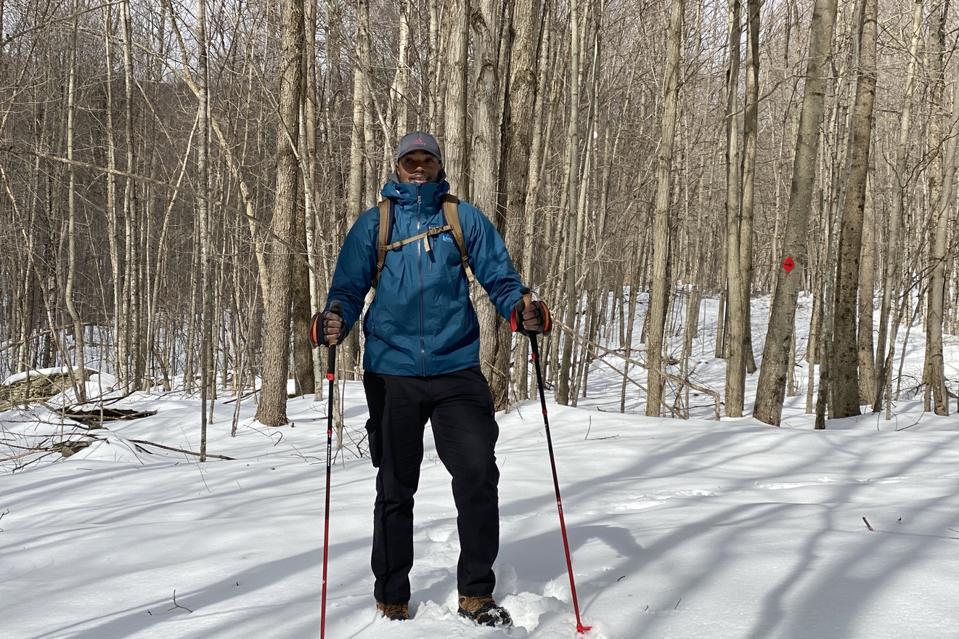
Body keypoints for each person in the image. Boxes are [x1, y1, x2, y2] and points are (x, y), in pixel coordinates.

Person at [309, 131, 551, 626]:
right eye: (409, 160)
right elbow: (348, 291)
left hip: (455, 365)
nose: (418, 167)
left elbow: (501, 279)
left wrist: (521, 310)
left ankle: (476, 594)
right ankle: (391, 597)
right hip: (391, 371)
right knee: (396, 484)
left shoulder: (462, 218)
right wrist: (334, 318)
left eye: (427, 160)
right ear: (397, 166)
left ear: (439, 165)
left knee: (478, 474)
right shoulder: (374, 225)